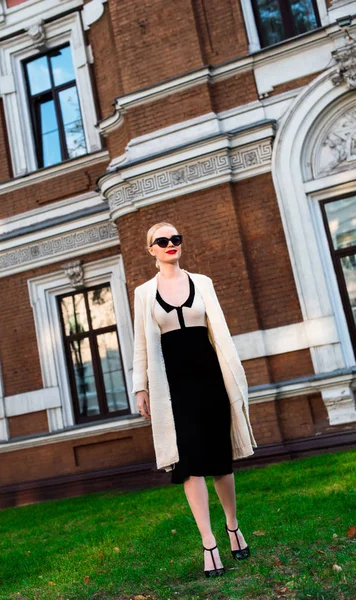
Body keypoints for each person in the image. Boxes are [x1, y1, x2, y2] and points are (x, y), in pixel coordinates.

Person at [132, 221, 256, 578]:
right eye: (162, 240)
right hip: (173, 388)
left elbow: (220, 331)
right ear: (151, 249)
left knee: (219, 461)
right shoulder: (144, 293)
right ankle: (208, 542)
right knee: (189, 462)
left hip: (210, 378)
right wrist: (140, 388)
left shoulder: (202, 283)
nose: (171, 244)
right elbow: (142, 343)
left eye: (176, 239)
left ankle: (233, 526)